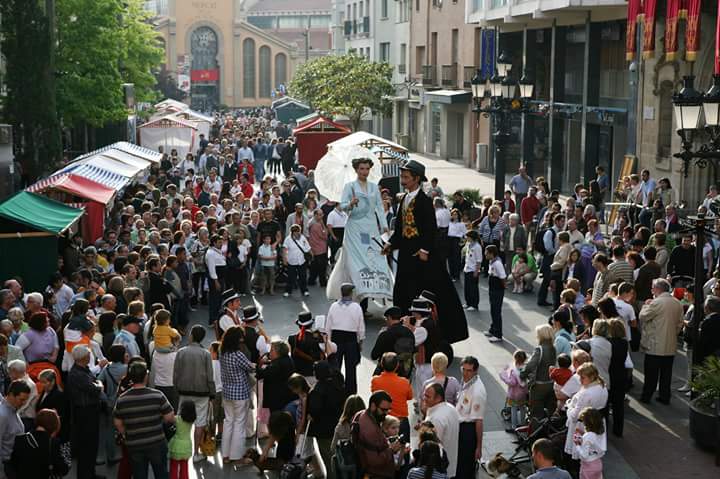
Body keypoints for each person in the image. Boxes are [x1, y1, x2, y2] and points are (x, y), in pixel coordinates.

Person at [383, 159, 468, 344]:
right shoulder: (404, 198)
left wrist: (424, 250)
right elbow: (400, 229)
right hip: (407, 255)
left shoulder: (424, 201)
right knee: (402, 291)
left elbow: (431, 230)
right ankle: (402, 328)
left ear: (416, 179)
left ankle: (436, 332)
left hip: (422, 257)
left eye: (406, 177)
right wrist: (391, 244)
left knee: (430, 290)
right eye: (402, 176)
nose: (403, 180)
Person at [327, 157, 393, 302]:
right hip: (354, 228)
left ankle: (374, 293)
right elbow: (343, 207)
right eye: (362, 169)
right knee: (356, 261)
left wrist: (384, 225)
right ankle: (357, 297)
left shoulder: (374, 187)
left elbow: (379, 208)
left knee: (374, 258)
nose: (365, 171)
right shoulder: (349, 186)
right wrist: (350, 203)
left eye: (367, 169)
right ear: (356, 170)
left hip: (370, 227)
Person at [113, 361, 175, 479]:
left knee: (139, 474)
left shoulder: (122, 399)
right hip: (156, 442)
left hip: (134, 444)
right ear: (146, 376)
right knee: (161, 473)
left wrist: (126, 433)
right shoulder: (157, 395)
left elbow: (117, 422)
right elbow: (169, 417)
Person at [173, 325, 216, 462]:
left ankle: (181, 447)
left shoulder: (181, 352)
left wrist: (177, 388)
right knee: (200, 422)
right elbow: (210, 377)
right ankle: (196, 453)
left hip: (184, 391)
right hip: (202, 393)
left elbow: (176, 374)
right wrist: (212, 393)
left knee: (182, 420)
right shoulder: (206, 354)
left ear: (191, 335)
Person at [639, 278, 684, 404]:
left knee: (651, 374)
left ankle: (646, 396)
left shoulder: (656, 303)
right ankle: (665, 396)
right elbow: (680, 324)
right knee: (666, 374)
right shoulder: (677, 303)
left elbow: (643, 316)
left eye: (653, 288)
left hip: (655, 344)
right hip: (670, 343)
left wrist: (646, 305)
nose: (651, 290)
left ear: (657, 289)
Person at [66, 345, 103, 479]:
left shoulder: (83, 370)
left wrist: (97, 384)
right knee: (87, 446)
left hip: (90, 411)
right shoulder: (77, 374)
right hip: (84, 413)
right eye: (88, 355)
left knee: (92, 445)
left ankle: (90, 473)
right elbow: (95, 388)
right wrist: (99, 385)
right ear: (84, 357)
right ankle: (85, 475)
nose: (90, 357)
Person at [219, 326, 255, 464]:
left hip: (227, 392)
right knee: (239, 424)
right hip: (240, 393)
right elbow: (250, 367)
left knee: (228, 422)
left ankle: (226, 455)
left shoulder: (222, 352)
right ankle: (237, 456)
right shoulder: (238, 354)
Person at [564, 364, 608, 473]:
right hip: (597, 423)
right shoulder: (602, 387)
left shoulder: (586, 393)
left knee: (579, 453)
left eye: (583, 377)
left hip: (583, 425)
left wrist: (569, 406)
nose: (580, 380)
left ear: (592, 377)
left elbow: (574, 416)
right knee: (592, 450)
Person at [307, 360, 346, 478]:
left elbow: (315, 409)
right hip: (337, 425)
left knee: (328, 457)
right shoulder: (337, 383)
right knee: (336, 455)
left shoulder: (318, 390)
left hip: (323, 430)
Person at [9, 408, 70, 479]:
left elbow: (13, 465)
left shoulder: (20, 439)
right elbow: (64, 469)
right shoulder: (54, 443)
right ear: (55, 425)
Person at [326, 283, 365, 395]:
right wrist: (361, 341)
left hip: (336, 339)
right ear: (351, 293)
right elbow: (360, 326)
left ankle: (335, 389)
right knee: (351, 367)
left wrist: (328, 340)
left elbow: (328, 325)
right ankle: (350, 392)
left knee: (335, 366)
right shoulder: (356, 307)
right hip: (351, 339)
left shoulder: (333, 306)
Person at [354, 390, 403, 478]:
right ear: (373, 406)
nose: (386, 413)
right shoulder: (370, 430)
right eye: (383, 410)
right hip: (376, 474)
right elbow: (374, 461)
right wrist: (391, 450)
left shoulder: (361, 414)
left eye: (388, 409)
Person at [455, 356, 486, 479]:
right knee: (459, 465)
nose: (465, 373)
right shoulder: (466, 380)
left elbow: (479, 421)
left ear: (475, 371)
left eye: (469, 370)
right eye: (463, 369)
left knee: (465, 468)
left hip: (468, 431)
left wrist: (478, 446)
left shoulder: (478, 391)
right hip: (460, 427)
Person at [371, 353, 413, 441]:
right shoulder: (404, 382)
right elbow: (410, 397)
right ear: (397, 365)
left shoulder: (375, 381)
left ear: (382, 364)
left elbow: (374, 394)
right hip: (400, 420)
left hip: (383, 420)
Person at [520, 325, 557, 419]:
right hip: (551, 383)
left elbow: (530, 365)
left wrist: (522, 374)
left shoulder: (539, 349)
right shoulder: (553, 348)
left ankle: (535, 432)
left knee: (536, 412)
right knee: (549, 410)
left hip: (539, 385)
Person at [0, 381, 30, 479]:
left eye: (25, 400)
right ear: (11, 395)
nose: (24, 403)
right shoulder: (2, 415)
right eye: (21, 399)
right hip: (6, 469)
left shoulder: (13, 409)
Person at [499, 350, 528, 432]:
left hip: (514, 394)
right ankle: (522, 424)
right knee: (522, 408)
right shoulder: (525, 368)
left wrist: (503, 376)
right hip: (523, 393)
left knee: (514, 409)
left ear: (515, 358)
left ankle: (514, 426)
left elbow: (512, 382)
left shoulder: (513, 371)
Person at [574, 407, 606, 479]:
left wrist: (577, 445)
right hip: (598, 463)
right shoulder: (600, 432)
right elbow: (600, 449)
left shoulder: (588, 436)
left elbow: (584, 456)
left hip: (588, 466)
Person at [283, 224, 311, 298]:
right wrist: (284, 259)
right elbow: (284, 249)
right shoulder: (288, 239)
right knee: (290, 277)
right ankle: (288, 291)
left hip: (302, 260)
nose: (297, 233)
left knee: (303, 276)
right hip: (291, 261)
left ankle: (305, 290)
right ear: (292, 232)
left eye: (298, 231)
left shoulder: (303, 238)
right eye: (295, 231)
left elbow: (307, 247)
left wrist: (311, 255)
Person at [486, 245, 507, 342]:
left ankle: (498, 334)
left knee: (496, 311)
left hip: (497, 289)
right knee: (493, 310)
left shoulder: (497, 263)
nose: (485, 255)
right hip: (492, 288)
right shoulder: (492, 261)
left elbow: (502, 276)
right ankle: (493, 329)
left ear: (491, 253)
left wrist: (503, 286)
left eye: (486, 253)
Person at [463, 231, 482, 311]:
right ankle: (468, 302)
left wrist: (476, 271)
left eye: (467, 237)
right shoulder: (468, 245)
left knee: (473, 288)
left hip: (473, 270)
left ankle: (474, 305)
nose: (466, 238)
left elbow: (479, 260)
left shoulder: (477, 247)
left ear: (471, 237)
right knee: (467, 288)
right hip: (467, 269)